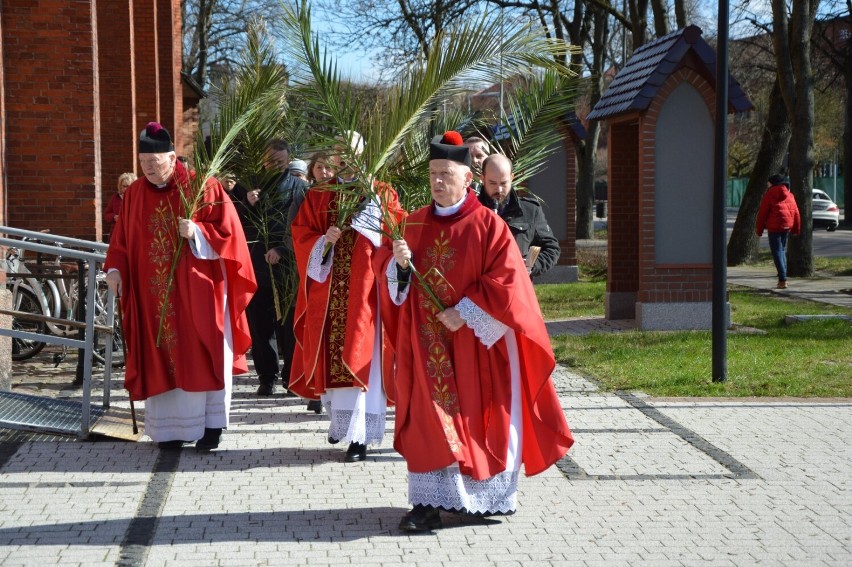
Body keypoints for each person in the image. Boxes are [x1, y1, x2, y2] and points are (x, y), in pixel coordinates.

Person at [375, 131, 573, 531]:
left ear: (468, 179)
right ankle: (427, 504)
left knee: (478, 421)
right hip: (426, 346)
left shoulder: (488, 225)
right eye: (433, 173)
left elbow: (508, 281)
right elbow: (389, 282)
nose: (437, 181)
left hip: (475, 348)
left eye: (446, 173)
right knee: (430, 421)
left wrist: (466, 312)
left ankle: (479, 499)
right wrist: (397, 265)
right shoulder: (410, 223)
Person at [104, 122, 257, 451]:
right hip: (152, 299)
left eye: (154, 163)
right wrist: (115, 269)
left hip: (196, 297)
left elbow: (232, 238)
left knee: (202, 353)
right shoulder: (134, 194)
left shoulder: (203, 187)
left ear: (172, 158)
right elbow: (121, 242)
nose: (148, 169)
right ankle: (169, 431)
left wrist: (198, 232)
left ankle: (211, 427)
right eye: (143, 163)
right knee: (160, 357)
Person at [289, 131, 405, 462]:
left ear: (363, 155)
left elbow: (397, 236)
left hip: (367, 294)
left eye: (351, 153)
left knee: (361, 358)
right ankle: (341, 426)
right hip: (330, 298)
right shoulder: (320, 195)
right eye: (340, 153)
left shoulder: (380, 194)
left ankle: (360, 438)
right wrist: (323, 241)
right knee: (333, 359)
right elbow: (301, 234)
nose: (345, 159)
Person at [241, 139, 308, 396]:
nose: (275, 166)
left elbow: (302, 226)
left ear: (288, 161)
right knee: (260, 325)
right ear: (262, 160)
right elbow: (236, 224)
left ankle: (291, 377)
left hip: (288, 267)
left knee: (288, 326)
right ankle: (266, 377)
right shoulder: (251, 186)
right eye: (270, 161)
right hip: (257, 265)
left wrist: (282, 249)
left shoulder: (299, 188)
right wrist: (247, 203)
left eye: (280, 162)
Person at [477, 154, 561, 277]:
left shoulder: (530, 210)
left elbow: (552, 248)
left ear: (512, 178)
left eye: (504, 183)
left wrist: (532, 266)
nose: (499, 190)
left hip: (517, 289)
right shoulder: (471, 211)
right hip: (480, 290)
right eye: (492, 183)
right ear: (482, 178)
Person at [756, 174, 801, 289]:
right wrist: (796, 228)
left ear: (773, 183)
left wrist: (759, 230)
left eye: (769, 183)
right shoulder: (790, 195)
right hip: (786, 227)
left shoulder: (769, 194)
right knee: (781, 250)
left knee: (777, 252)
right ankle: (783, 275)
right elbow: (796, 213)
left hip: (774, 228)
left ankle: (782, 279)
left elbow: (762, 214)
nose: (767, 185)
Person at [103, 172, 136, 242]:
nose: (126, 188)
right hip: (117, 234)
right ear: (120, 186)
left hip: (133, 234)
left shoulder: (138, 198)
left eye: (128, 186)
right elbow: (106, 215)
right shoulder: (115, 198)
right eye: (124, 186)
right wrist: (114, 217)